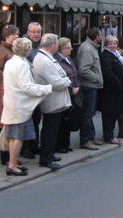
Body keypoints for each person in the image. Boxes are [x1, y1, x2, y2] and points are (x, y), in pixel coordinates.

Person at [1, 38, 52, 176]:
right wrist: (45, 89)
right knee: (18, 137)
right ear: (27, 49)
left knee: (12, 137)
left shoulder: (10, 62)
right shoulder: (22, 64)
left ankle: (12, 163)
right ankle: (12, 165)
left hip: (12, 104)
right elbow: (27, 87)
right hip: (20, 107)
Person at [33, 34, 72, 170]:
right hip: (52, 100)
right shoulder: (45, 61)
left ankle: (49, 154)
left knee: (52, 129)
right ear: (52, 45)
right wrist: (67, 80)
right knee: (50, 130)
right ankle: (46, 158)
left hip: (55, 100)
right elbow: (57, 82)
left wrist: (64, 79)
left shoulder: (47, 58)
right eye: (56, 44)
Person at [0, 24, 19, 165]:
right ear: (7, 35)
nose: (17, 37)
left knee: (12, 122)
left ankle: (11, 155)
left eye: (18, 35)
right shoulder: (1, 50)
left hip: (13, 92)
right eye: (14, 35)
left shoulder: (12, 50)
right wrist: (9, 79)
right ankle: (5, 156)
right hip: (5, 92)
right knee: (5, 123)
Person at [76, 27, 104, 150]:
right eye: (101, 34)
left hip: (92, 85)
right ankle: (85, 139)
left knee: (91, 112)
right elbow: (83, 69)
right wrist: (96, 78)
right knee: (87, 113)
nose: (102, 36)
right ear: (97, 36)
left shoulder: (91, 47)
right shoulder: (87, 48)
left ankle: (91, 136)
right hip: (88, 86)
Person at [53, 38, 81, 153]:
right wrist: (71, 87)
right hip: (64, 93)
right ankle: (59, 145)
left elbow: (74, 73)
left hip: (73, 93)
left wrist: (78, 86)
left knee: (69, 119)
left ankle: (66, 143)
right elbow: (61, 77)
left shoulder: (68, 59)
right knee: (62, 120)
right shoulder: (58, 60)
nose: (71, 49)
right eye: (69, 47)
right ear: (62, 49)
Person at [98, 36, 123, 144]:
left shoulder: (116, 55)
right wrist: (118, 83)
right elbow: (108, 72)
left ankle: (111, 134)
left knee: (115, 113)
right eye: (111, 44)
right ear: (106, 45)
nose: (113, 46)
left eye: (115, 43)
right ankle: (109, 135)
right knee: (109, 114)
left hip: (118, 91)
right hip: (110, 91)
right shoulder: (105, 56)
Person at [21, 22, 42, 160]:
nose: (36, 35)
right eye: (33, 32)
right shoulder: (23, 46)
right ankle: (25, 147)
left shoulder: (41, 45)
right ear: (28, 32)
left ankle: (35, 144)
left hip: (38, 88)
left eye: (38, 32)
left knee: (36, 118)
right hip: (27, 90)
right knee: (27, 120)